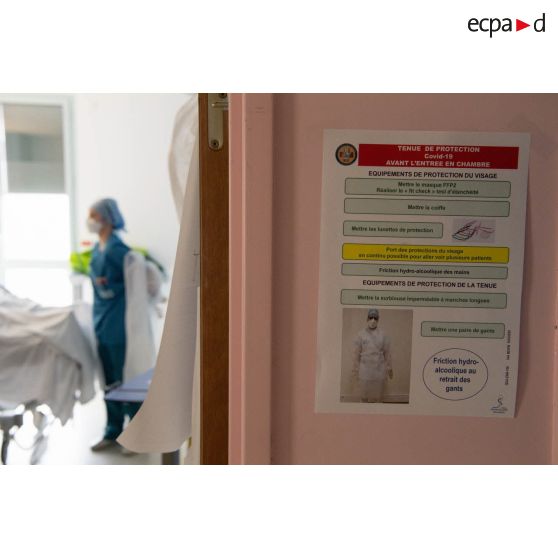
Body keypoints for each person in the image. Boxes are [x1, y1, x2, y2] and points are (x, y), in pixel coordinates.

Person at [87, 198, 141, 452]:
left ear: (107, 218)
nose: (90, 221)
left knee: (126, 380)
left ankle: (135, 434)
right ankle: (113, 430)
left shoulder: (118, 250)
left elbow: (137, 280)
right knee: (109, 381)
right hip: (101, 320)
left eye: (93, 215)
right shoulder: (97, 248)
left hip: (118, 323)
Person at [352, 308, 393, 403]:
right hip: (365, 371)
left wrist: (389, 368)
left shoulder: (383, 335)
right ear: (367, 318)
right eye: (371, 317)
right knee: (364, 396)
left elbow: (387, 353)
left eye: (375, 318)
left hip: (379, 370)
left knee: (378, 397)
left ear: (378, 319)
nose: (373, 320)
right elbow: (356, 354)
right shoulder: (360, 335)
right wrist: (355, 370)